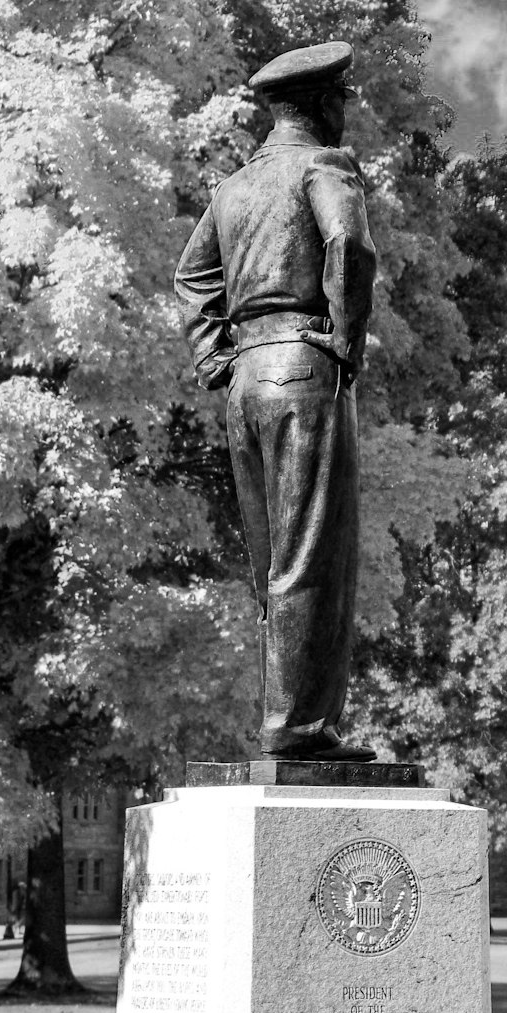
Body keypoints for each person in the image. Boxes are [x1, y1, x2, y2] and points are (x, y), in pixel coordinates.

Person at [174, 41, 377, 761]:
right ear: (325, 105)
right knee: (310, 553)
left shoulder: (234, 188)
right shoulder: (326, 164)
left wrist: (216, 360)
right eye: (341, 100)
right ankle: (297, 729)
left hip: (245, 382)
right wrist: (345, 340)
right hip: (303, 369)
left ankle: (290, 723)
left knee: (271, 562)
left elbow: (192, 277)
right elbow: (348, 244)